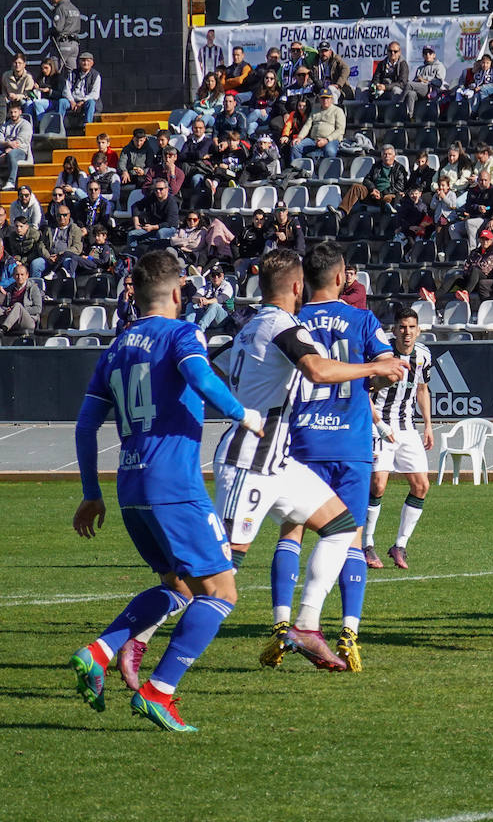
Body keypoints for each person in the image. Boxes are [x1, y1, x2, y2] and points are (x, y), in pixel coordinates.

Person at [67, 250, 264, 732]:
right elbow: (198, 376)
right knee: (221, 592)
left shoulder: (115, 348)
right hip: (174, 484)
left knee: (177, 587)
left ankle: (100, 650)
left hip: (130, 485)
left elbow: (85, 425)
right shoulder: (183, 333)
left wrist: (92, 491)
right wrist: (245, 414)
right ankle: (161, 690)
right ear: (178, 293)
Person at [213, 249, 407, 671]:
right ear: (339, 277)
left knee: (317, 529)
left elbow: (214, 367)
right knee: (218, 572)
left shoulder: (256, 326)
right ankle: (129, 638)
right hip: (289, 451)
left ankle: (296, 625)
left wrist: (235, 405)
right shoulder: (309, 323)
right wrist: (376, 366)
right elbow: (321, 369)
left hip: (292, 447)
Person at [263, 243, 395, 673]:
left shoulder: (291, 321)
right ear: (341, 277)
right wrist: (369, 379)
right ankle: (348, 633)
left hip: (302, 441)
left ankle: (283, 626)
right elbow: (388, 364)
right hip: (351, 444)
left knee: (293, 529)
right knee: (350, 536)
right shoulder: (362, 318)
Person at [365, 308, 434, 570]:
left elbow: (422, 390)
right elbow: (365, 392)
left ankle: (400, 545)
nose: (407, 332)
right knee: (379, 485)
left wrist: (428, 425)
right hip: (379, 424)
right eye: (402, 327)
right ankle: (367, 544)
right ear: (394, 329)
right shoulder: (382, 354)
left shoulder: (424, 356)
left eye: (411, 327)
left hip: (407, 428)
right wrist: (379, 425)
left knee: (421, 486)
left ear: (418, 330)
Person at [49, 0, 81, 72]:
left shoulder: (61, 8)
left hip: (63, 44)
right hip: (74, 45)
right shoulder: (74, 8)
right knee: (71, 74)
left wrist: (48, 31)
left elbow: (58, 28)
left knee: (55, 71)